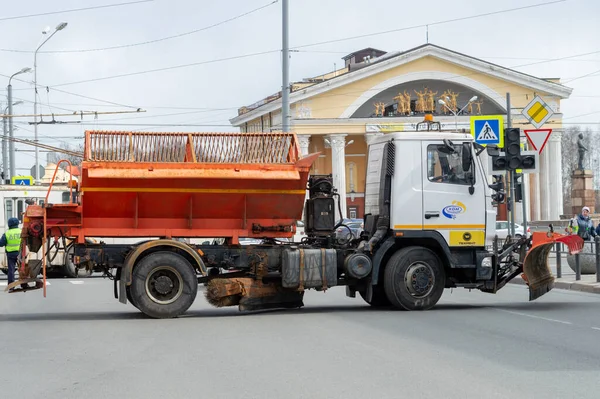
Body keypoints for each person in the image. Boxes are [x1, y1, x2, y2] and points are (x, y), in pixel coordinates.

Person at [0, 218, 21, 292]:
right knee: (22, 269)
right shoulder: (21, 231)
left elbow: (1, 243)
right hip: (20, 253)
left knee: (11, 270)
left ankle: (11, 286)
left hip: (11, 254)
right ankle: (24, 284)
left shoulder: (7, 233)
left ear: (9, 224)